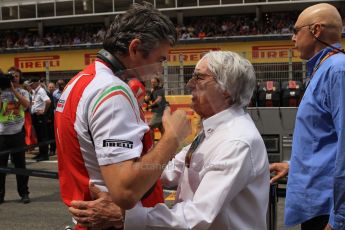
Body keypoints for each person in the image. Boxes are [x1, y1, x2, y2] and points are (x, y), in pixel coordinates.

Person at [69, 51, 270, 229]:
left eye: (199, 78)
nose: (189, 84)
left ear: (226, 90)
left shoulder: (235, 141)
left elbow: (199, 217)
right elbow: (172, 170)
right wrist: (121, 177)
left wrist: (123, 215)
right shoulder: (215, 130)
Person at [54, 3, 190, 229]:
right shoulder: (113, 92)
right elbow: (125, 190)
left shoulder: (82, 80)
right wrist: (172, 138)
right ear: (135, 48)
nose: (159, 70)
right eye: (160, 60)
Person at [269, 3, 345, 230]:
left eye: (295, 31)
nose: (292, 38)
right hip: (318, 205)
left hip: (329, 211)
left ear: (316, 30)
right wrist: (295, 165)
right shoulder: (324, 69)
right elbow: (323, 138)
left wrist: (340, 218)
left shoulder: (338, 70)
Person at [0, 67, 31, 204]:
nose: (13, 78)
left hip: (17, 134)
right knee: (1, 168)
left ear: (20, 78)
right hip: (2, 135)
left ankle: (24, 193)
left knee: (20, 166)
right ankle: (0, 195)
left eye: (16, 76)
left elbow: (26, 105)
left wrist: (13, 90)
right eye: (11, 76)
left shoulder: (23, 91)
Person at [29, 78, 51, 161]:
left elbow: (48, 101)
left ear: (36, 83)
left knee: (43, 136)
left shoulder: (41, 91)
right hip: (35, 116)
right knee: (38, 136)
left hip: (40, 116)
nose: (30, 86)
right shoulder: (34, 91)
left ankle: (44, 155)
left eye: (31, 84)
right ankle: (41, 153)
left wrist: (44, 112)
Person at [46, 82, 56, 156]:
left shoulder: (55, 95)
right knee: (48, 134)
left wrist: (49, 117)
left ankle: (52, 149)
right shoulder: (47, 94)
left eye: (52, 87)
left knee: (52, 134)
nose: (51, 88)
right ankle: (50, 149)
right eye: (50, 87)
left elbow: (51, 107)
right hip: (49, 117)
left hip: (52, 117)